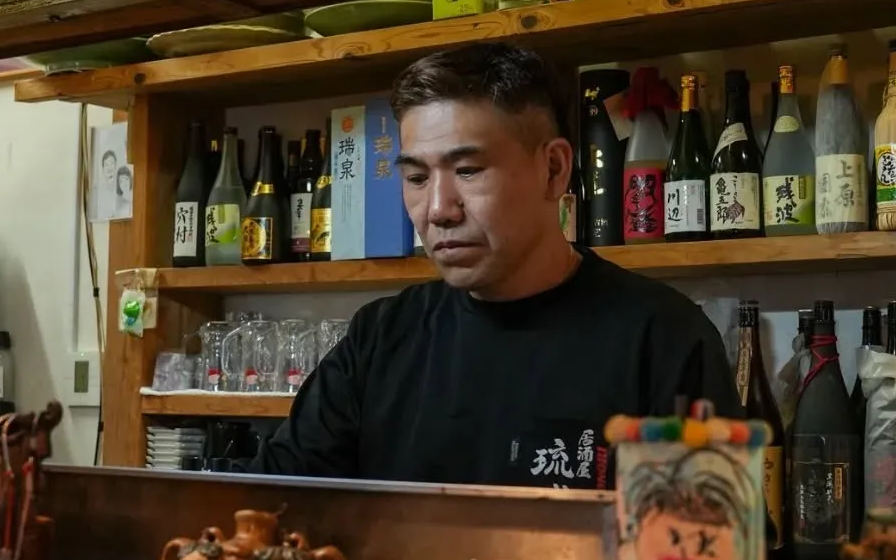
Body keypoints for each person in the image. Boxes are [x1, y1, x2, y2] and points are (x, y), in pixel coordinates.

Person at [255, 43, 740, 488]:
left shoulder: (665, 339)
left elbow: (715, 559)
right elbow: (272, 503)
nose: (439, 208)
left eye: (468, 171)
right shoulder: (380, 337)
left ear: (553, 169)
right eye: (418, 177)